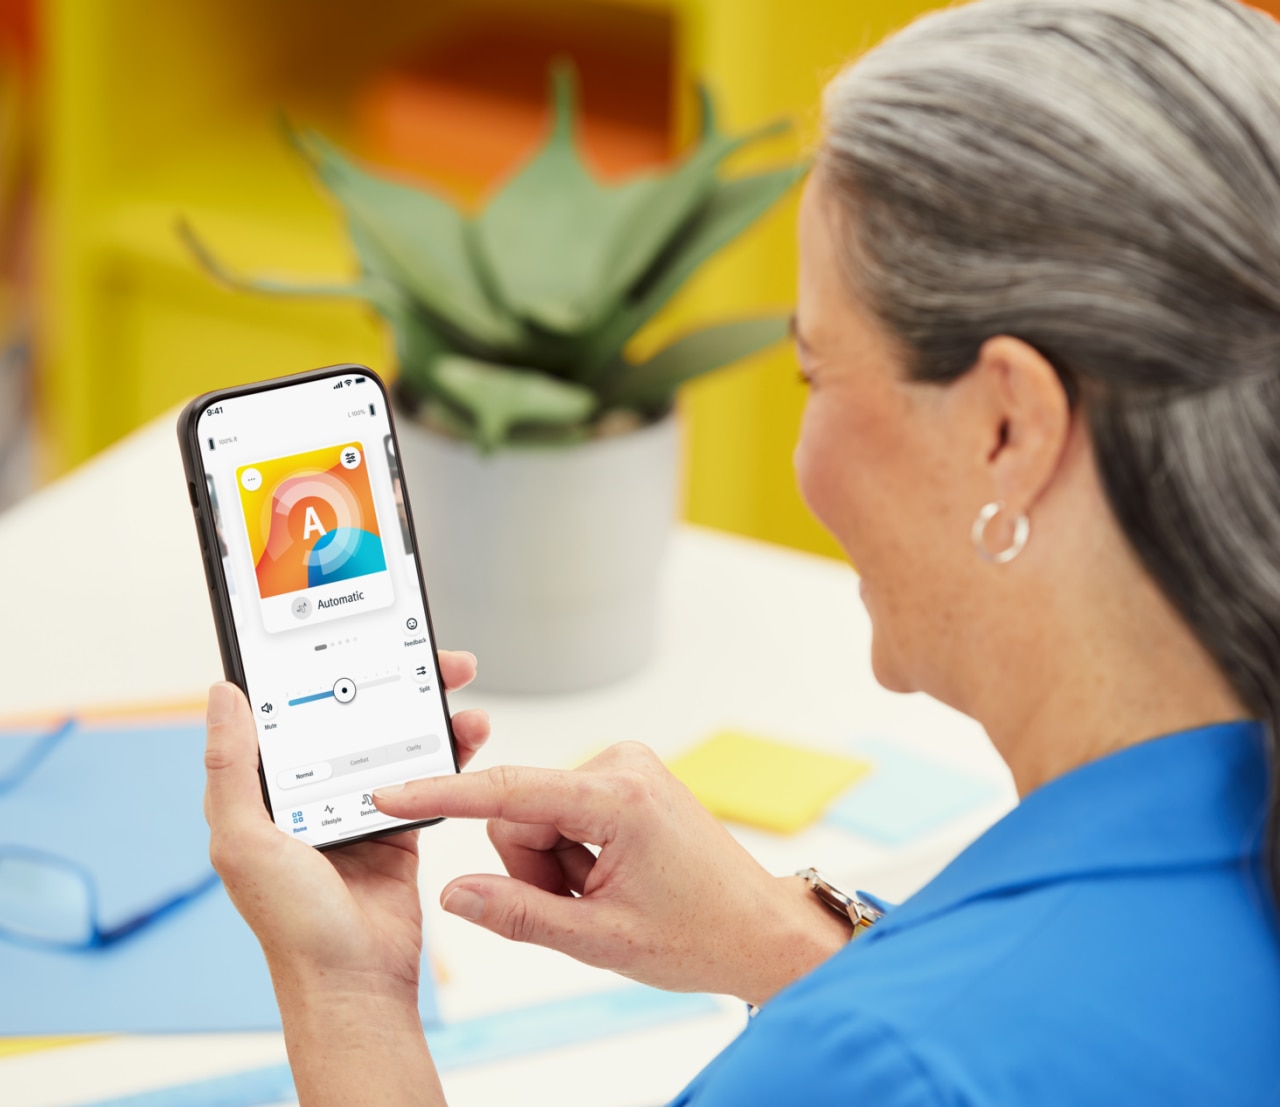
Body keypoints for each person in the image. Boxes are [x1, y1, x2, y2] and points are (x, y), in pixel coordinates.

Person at [201, 0, 1280, 1102]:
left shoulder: (871, 1065)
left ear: (1006, 428)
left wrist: (344, 992)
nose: (803, 456)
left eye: (815, 372)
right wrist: (789, 941)